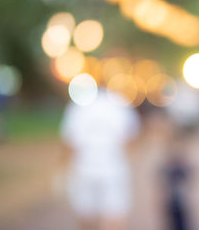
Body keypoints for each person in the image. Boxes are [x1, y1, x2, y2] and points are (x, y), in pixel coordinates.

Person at [60, 89, 140, 230]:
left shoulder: (78, 106)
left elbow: (69, 141)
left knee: (86, 215)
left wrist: (62, 169)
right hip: (114, 168)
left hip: (84, 169)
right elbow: (132, 136)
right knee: (114, 215)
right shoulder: (120, 103)